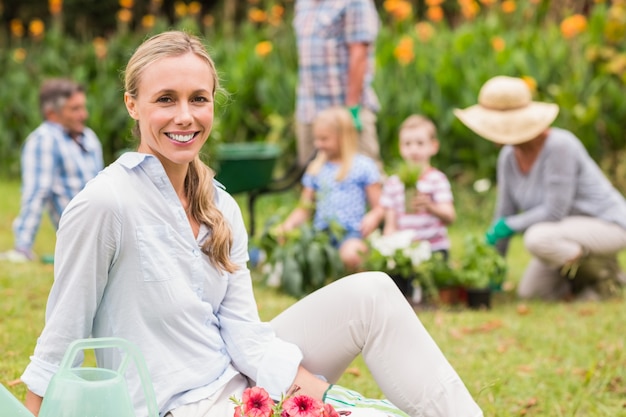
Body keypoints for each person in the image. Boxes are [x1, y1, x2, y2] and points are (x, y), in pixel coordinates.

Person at [21, 31, 483, 417]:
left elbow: (242, 330)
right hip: (179, 406)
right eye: (166, 99)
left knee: (374, 292)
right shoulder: (105, 203)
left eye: (198, 99)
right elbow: (62, 338)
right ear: (132, 105)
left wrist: (309, 389)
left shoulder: (219, 204)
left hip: (236, 375)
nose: (185, 116)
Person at [454, 75, 626, 301]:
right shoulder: (508, 157)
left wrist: (508, 226)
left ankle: (607, 276)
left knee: (537, 238)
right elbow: (504, 214)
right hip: (562, 233)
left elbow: (555, 212)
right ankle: (579, 285)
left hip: (607, 225)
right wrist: (493, 263)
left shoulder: (559, 146)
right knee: (532, 293)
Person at [0, 78, 103, 263]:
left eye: (83, 107)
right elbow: (37, 193)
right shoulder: (44, 140)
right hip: (80, 234)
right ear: (52, 114)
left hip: (105, 225)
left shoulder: (89, 137)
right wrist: (23, 247)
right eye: (75, 109)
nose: (84, 114)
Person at [275, 106, 383, 272]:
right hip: (321, 233)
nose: (318, 144)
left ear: (343, 137)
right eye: (316, 139)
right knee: (302, 254)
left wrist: (374, 216)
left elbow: (380, 206)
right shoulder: (316, 168)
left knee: (352, 255)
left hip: (351, 232)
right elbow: (304, 208)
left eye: (324, 139)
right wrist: (287, 226)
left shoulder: (363, 166)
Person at [293, 0, 382, 170]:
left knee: (362, 173)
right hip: (309, 108)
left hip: (343, 107)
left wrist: (352, 109)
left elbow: (359, 54)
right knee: (313, 176)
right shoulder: (303, 4)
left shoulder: (355, 2)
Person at [379, 115, 456, 297]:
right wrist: (389, 248)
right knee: (395, 289)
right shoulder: (394, 183)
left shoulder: (437, 180)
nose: (413, 149)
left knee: (434, 288)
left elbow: (450, 216)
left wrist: (430, 206)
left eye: (420, 143)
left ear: (433, 147)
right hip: (405, 251)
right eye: (407, 144)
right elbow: (390, 225)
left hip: (433, 248)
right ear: (400, 147)